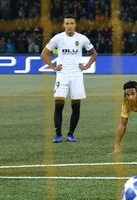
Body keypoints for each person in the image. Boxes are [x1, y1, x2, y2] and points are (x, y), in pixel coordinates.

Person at [41, 14, 97, 143]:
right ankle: (58, 135)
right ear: (63, 25)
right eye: (67, 23)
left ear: (75, 25)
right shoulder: (58, 38)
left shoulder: (82, 38)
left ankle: (71, 134)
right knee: (58, 106)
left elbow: (94, 53)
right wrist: (52, 66)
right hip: (62, 75)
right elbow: (44, 53)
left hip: (77, 75)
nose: (70, 26)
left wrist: (87, 65)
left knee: (76, 108)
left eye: (72, 23)